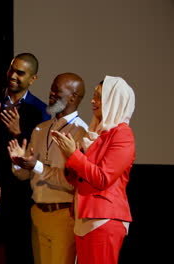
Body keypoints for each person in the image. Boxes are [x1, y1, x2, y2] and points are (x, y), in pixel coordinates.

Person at [51, 76, 135, 264]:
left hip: (104, 218)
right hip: (85, 218)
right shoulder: (96, 134)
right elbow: (79, 179)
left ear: (113, 100)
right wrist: (68, 155)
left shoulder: (123, 134)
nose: (92, 101)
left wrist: (74, 154)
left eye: (99, 97)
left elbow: (103, 178)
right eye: (94, 96)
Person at [0, 52, 50, 263]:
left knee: (18, 251)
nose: (13, 75)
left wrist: (20, 133)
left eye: (20, 72)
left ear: (33, 79)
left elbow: (41, 154)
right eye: (11, 69)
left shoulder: (40, 111)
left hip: (20, 194)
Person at [7, 73, 87, 264]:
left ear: (73, 96)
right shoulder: (40, 129)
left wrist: (37, 166)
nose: (51, 93)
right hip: (38, 214)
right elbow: (25, 175)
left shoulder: (80, 132)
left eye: (57, 90)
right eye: (51, 88)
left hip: (64, 216)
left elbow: (72, 182)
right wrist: (18, 163)